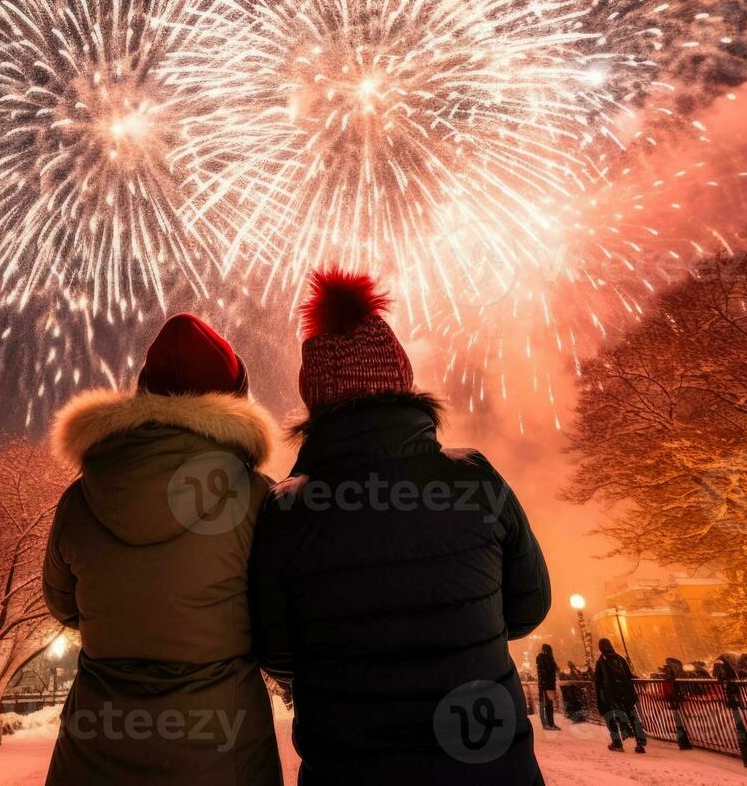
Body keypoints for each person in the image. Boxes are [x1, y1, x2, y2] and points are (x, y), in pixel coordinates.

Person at [249, 270, 551, 785]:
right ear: (403, 384)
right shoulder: (475, 477)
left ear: (314, 401)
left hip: (350, 766)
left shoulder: (286, 509)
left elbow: (275, 650)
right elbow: (530, 605)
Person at [43, 314, 282, 786]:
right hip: (222, 750)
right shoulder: (258, 499)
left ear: (142, 391)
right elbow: (275, 617)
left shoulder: (78, 499)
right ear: (235, 403)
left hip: (97, 749)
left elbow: (62, 603)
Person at [594, 638, 646, 754]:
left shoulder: (601, 661)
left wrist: (601, 697)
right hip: (626, 694)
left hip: (611, 696)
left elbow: (599, 682)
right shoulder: (620, 659)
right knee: (632, 716)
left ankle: (617, 742)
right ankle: (640, 741)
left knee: (610, 718)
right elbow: (628, 675)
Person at [536, 644, 561, 731]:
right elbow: (544, 673)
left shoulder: (548, 659)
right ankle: (546, 724)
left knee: (548, 704)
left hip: (548, 686)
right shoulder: (543, 659)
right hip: (545, 686)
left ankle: (550, 723)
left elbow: (551, 671)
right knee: (545, 704)